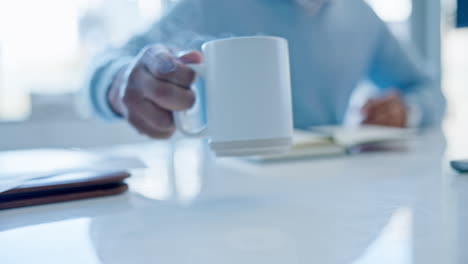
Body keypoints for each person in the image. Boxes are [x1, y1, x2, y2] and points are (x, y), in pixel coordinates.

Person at [84, 0, 445, 139]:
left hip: (336, 190)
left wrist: (407, 111)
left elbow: (429, 90)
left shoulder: (361, 16)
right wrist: (117, 83)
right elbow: (106, 66)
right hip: (229, 193)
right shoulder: (210, 6)